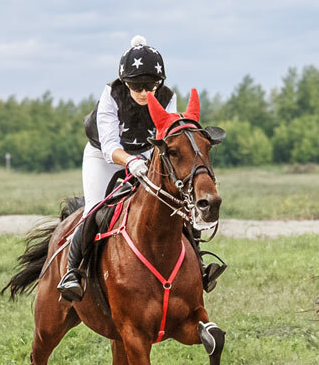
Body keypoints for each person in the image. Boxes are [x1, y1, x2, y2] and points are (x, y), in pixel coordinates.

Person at [57, 36, 224, 302]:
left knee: (176, 204)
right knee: (94, 209)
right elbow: (110, 146)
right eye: (136, 85)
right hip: (103, 156)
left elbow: (167, 134)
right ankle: (72, 273)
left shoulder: (168, 97)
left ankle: (200, 267)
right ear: (125, 82)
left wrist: (151, 162)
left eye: (151, 85)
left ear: (160, 83)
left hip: (147, 154)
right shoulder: (111, 95)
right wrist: (132, 162)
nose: (144, 92)